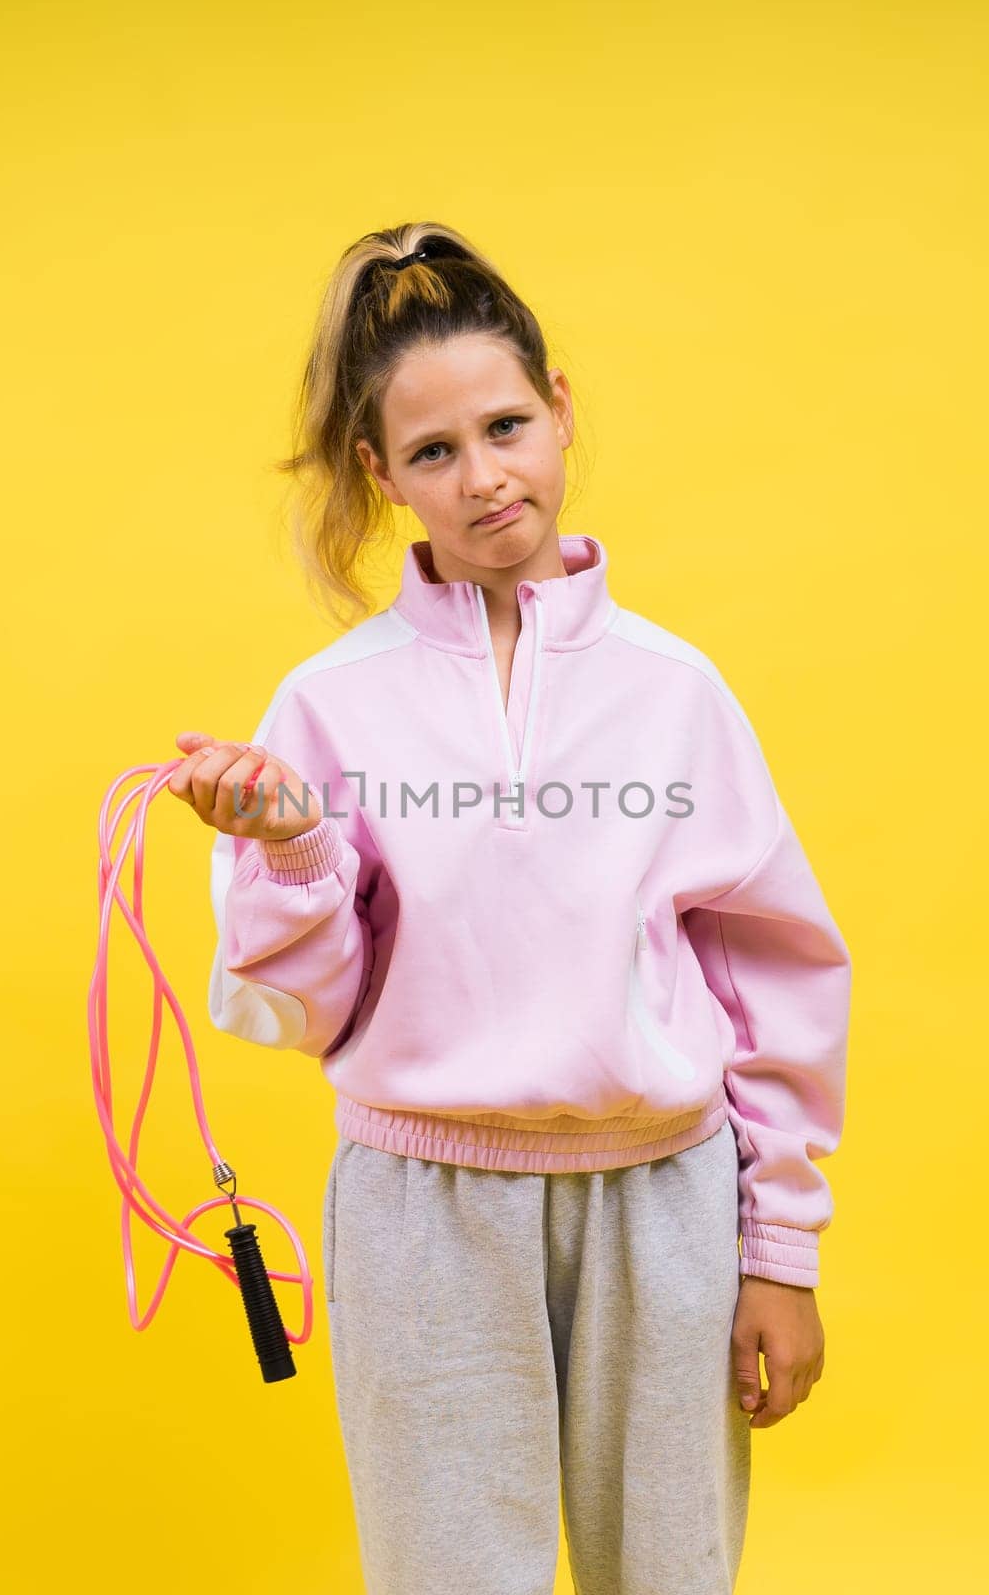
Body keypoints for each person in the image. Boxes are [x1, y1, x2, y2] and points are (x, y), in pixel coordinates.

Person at [168, 221, 852, 1595]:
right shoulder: (329, 706)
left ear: (560, 411)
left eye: (506, 425)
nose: (483, 478)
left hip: (663, 1199)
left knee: (668, 1571)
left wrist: (778, 1249)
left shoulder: (676, 691)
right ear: (381, 472)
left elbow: (777, 979)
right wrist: (293, 850)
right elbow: (295, 1010)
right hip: (423, 1208)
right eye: (433, 453)